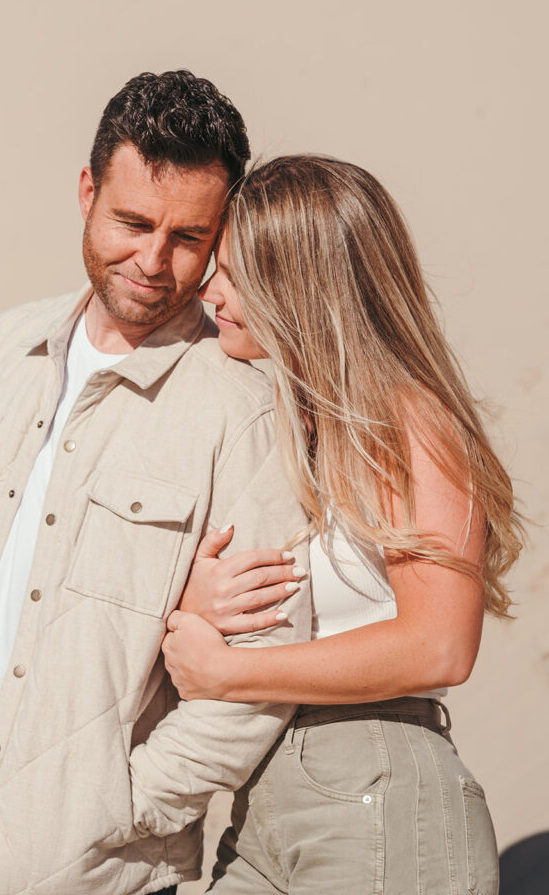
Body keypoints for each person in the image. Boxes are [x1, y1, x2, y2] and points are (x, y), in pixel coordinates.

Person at [0, 73, 315, 895]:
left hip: (97, 874)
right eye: (131, 222)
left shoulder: (240, 410)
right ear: (86, 190)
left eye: (187, 237)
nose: (152, 261)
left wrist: (121, 805)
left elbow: (264, 656)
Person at [161, 155, 523, 894]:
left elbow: (440, 646)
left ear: (299, 284)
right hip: (264, 801)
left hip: (379, 792)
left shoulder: (408, 420)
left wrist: (229, 673)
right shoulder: (289, 424)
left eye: (235, 273)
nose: (209, 290)